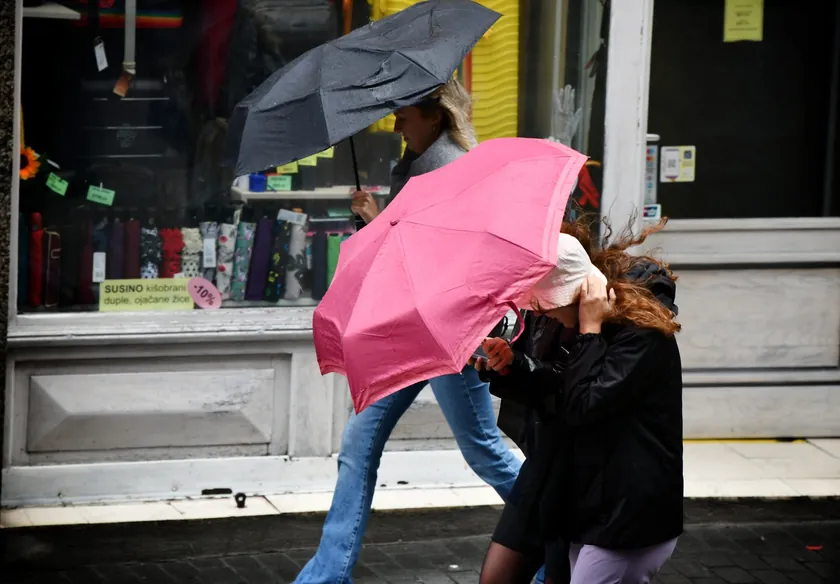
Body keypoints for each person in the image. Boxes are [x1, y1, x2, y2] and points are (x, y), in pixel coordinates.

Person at [293, 78, 523, 584]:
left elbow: (439, 261)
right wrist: (377, 221)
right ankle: (326, 576)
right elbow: (401, 253)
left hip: (449, 334)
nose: (395, 123)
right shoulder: (414, 166)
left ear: (434, 117)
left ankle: (565, 532)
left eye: (405, 115)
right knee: (358, 444)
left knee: (484, 449)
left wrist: (378, 223)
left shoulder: (448, 169)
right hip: (408, 327)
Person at [474, 219, 684, 584]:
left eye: (547, 307)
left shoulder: (639, 335)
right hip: (585, 494)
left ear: (577, 296)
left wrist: (589, 329)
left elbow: (583, 403)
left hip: (626, 510)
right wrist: (511, 367)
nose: (541, 315)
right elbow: (558, 381)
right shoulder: (567, 322)